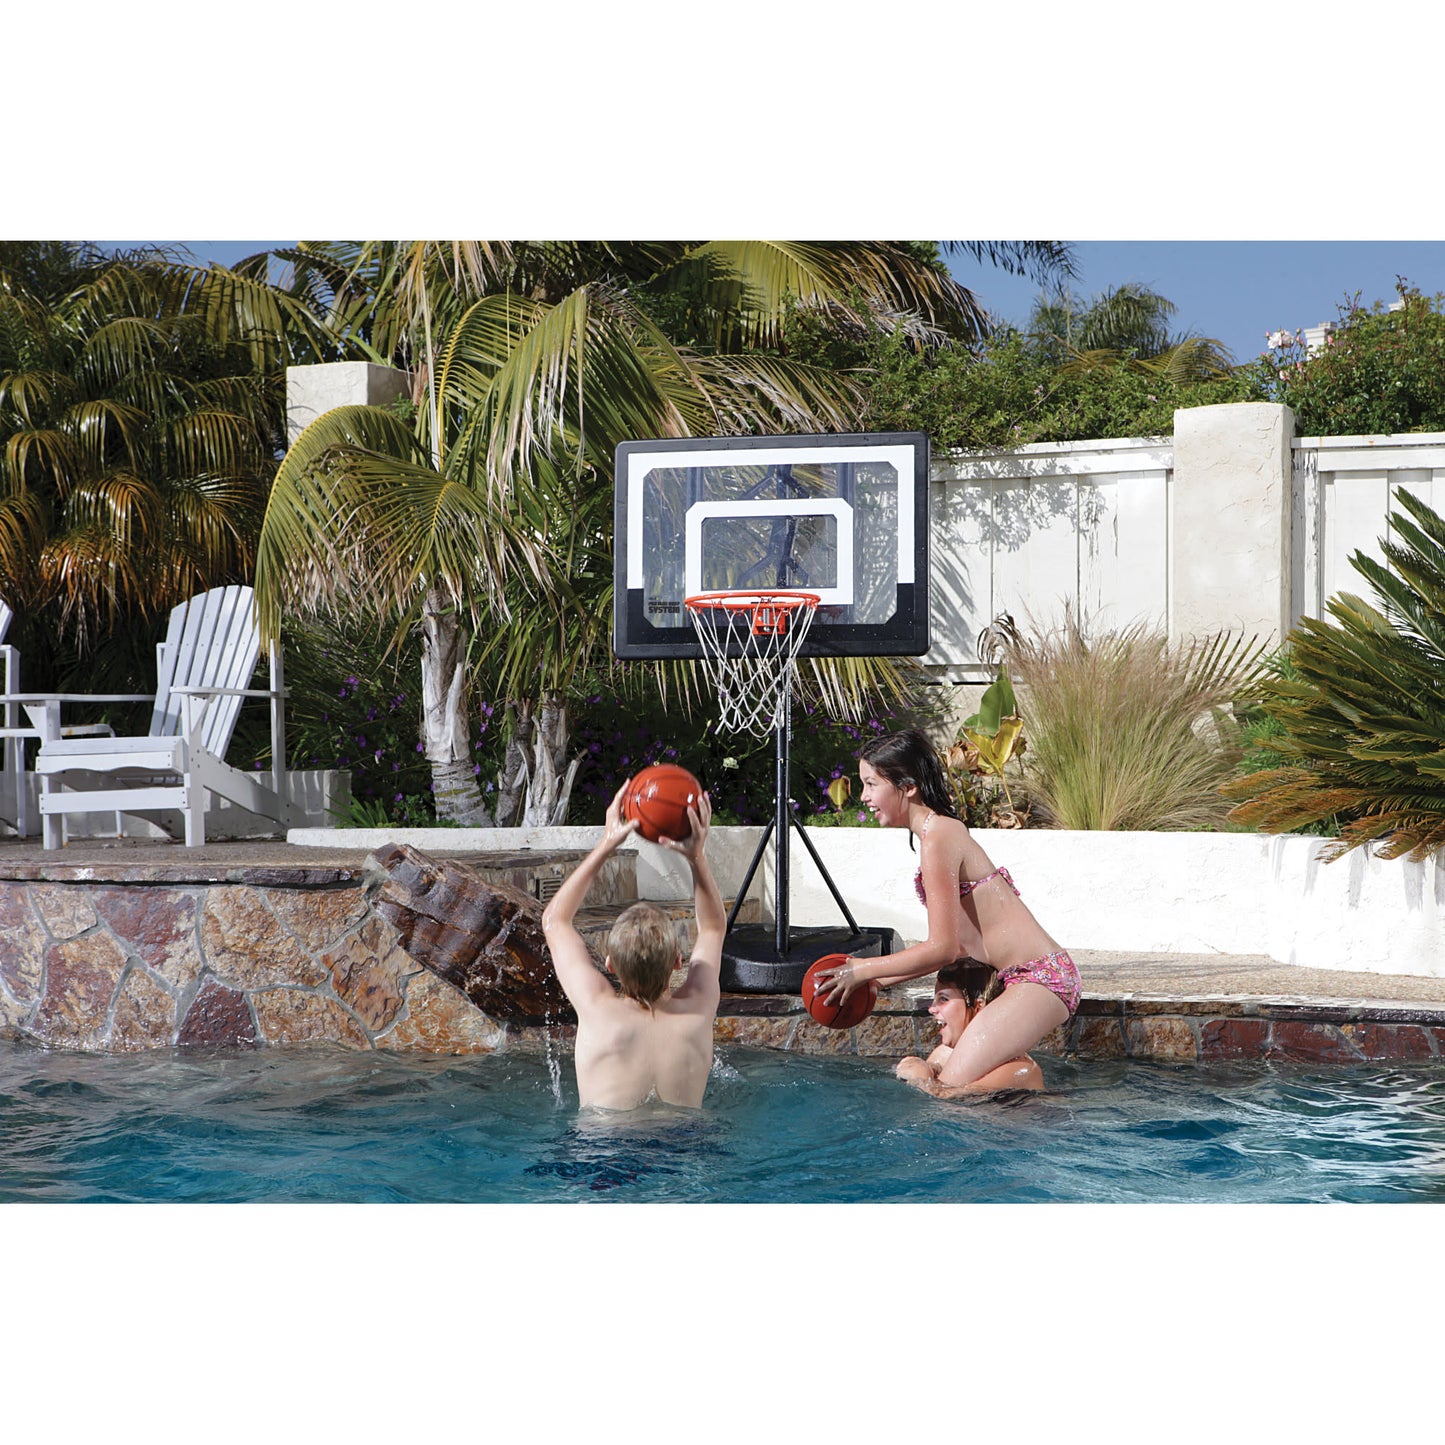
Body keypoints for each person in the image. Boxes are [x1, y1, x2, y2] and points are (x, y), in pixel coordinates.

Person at [813, 728, 1080, 1092]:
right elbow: (946, 947)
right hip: (1019, 978)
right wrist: (873, 982)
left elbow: (944, 948)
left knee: (944, 1092)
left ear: (907, 786)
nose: (864, 797)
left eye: (872, 784)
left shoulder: (939, 836)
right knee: (944, 1074)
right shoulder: (935, 835)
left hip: (1041, 978)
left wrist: (861, 969)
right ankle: (1023, 1097)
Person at [541, 782, 724, 1111]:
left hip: (605, 1154)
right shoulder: (698, 1009)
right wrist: (696, 856)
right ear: (678, 962)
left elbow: (555, 921)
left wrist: (607, 843)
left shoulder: (598, 1009)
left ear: (609, 965)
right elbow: (712, 928)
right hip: (687, 1152)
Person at [895, 958, 1043, 1096]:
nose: (932, 1009)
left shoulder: (1018, 1069)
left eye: (943, 999)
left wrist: (922, 1079)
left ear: (978, 1007)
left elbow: (948, 1104)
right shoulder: (944, 1053)